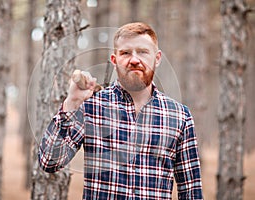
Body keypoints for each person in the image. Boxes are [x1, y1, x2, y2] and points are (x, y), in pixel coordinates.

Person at [38, 22, 203, 199]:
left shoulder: (180, 116)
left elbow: (191, 191)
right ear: (114, 60)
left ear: (157, 58)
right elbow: (49, 161)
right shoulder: (92, 106)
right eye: (125, 53)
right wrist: (72, 102)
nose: (134, 60)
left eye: (143, 52)